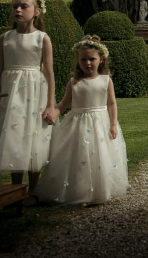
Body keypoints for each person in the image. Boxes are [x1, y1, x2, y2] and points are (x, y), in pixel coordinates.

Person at [0, 0, 55, 197]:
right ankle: (17, 189)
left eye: (23, 6)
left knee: (33, 137)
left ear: (36, 11)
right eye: (14, 6)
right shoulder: (4, 38)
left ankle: (33, 189)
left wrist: (51, 105)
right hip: (10, 94)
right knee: (14, 136)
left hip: (35, 92)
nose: (18, 10)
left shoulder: (42, 38)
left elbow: (50, 74)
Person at [36, 36, 128, 205]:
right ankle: (78, 189)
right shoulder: (74, 82)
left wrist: (113, 124)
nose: (87, 63)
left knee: (100, 156)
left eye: (92, 59)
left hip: (100, 124)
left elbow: (112, 104)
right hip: (77, 124)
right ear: (78, 60)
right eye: (83, 59)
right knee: (78, 158)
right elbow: (64, 103)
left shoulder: (105, 80)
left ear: (101, 59)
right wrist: (54, 112)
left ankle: (100, 189)